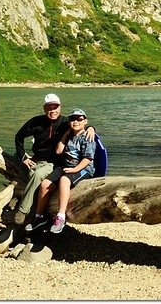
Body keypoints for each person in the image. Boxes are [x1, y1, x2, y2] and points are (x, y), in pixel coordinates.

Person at [13, 93, 95, 225]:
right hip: (36, 160)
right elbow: (19, 137)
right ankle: (36, 216)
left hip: (53, 163)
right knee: (31, 176)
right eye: (50, 107)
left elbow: (81, 125)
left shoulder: (64, 122)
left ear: (60, 107)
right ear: (44, 108)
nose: (53, 111)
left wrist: (92, 128)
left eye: (55, 107)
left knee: (37, 176)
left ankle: (24, 212)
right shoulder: (36, 122)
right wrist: (23, 157)